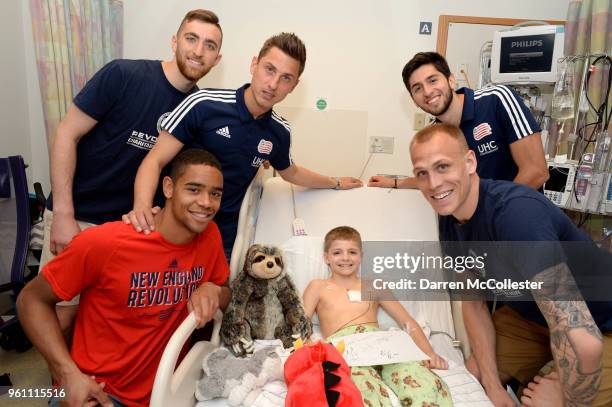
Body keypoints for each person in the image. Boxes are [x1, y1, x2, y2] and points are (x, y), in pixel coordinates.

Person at [41, 9, 223, 335]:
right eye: (191, 38)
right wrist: (64, 214)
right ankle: (58, 387)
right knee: (61, 319)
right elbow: (66, 133)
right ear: (175, 41)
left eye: (209, 46)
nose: (198, 51)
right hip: (79, 214)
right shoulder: (124, 75)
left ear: (216, 59)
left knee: (103, 324)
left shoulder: (198, 109)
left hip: (129, 229)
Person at [409, 123, 612, 406]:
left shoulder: (517, 218)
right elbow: (474, 303)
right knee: (473, 376)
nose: (433, 184)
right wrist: (492, 387)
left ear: (469, 162)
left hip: (599, 323)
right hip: (535, 318)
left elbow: (584, 339)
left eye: (442, 167)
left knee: (544, 401)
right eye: (422, 173)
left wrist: (567, 399)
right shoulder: (450, 219)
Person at [17, 149, 231, 407]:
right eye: (194, 190)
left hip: (165, 393)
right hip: (100, 393)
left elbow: (225, 291)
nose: (206, 203)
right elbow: (30, 300)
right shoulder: (106, 243)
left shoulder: (210, 236)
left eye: (215, 194)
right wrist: (68, 374)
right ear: (168, 188)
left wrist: (214, 290)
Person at [126, 33, 362, 257]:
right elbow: (155, 160)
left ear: (293, 86)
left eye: (285, 78)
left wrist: (336, 182)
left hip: (221, 240)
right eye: (269, 70)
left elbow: (292, 172)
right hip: (173, 227)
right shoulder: (204, 104)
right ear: (254, 65)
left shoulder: (279, 131)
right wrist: (142, 208)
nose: (272, 84)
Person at [302, 226, 452, 407]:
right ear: (326, 257)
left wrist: (428, 352)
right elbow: (302, 324)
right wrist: (310, 346)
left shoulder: (374, 286)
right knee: (360, 391)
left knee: (422, 382)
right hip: (345, 349)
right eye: (337, 253)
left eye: (352, 252)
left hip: (383, 345)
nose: (345, 258)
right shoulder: (318, 286)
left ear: (361, 256)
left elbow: (407, 322)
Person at [369, 51, 548, 190]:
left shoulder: (496, 99)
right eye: (417, 88)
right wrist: (394, 183)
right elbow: (435, 178)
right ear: (414, 100)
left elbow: (536, 171)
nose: (427, 91)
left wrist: (491, 215)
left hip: (518, 218)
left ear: (451, 81)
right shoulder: (435, 136)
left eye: (432, 80)